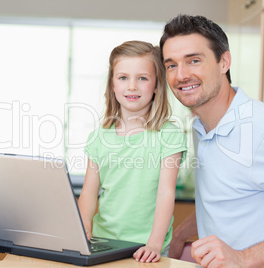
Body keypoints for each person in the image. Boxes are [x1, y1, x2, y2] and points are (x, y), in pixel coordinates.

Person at [160, 14, 264, 267]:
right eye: (171, 65)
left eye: (194, 61)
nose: (181, 75)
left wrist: (243, 258)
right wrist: (180, 234)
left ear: (224, 62)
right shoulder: (201, 128)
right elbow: (227, 199)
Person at [78, 40, 187, 263]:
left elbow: (166, 193)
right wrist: (83, 228)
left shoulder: (169, 135)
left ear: (157, 85)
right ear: (112, 85)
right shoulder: (99, 137)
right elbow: (89, 192)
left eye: (142, 78)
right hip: (103, 241)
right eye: (123, 77)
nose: (132, 86)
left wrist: (155, 244)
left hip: (148, 246)